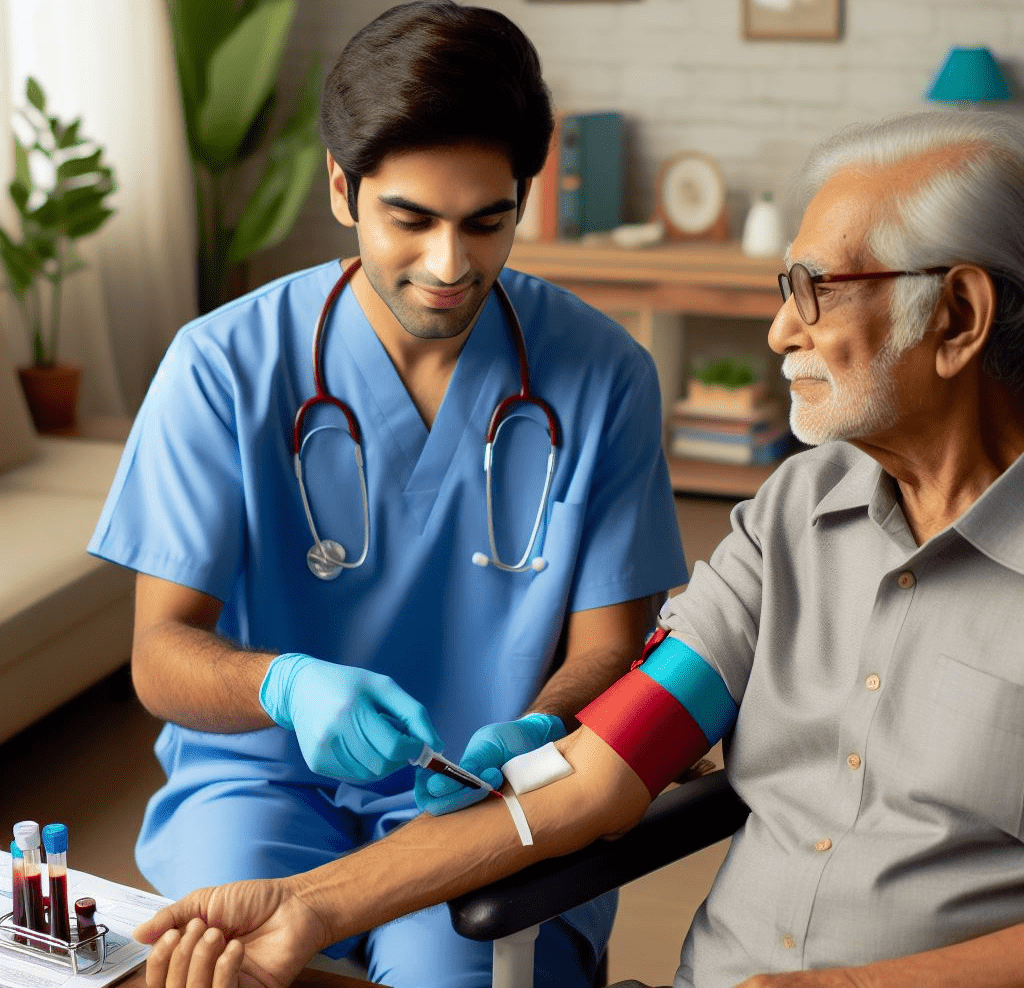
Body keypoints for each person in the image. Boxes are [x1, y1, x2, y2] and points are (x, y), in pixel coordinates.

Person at [134, 106, 1024, 988]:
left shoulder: (600, 372)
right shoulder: (793, 516)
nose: (780, 331)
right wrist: (310, 905)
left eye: (815, 289)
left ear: (956, 315)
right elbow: (606, 765)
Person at [88, 0, 686, 988]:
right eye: (410, 220)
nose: (450, 267)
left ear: (521, 200)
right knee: (225, 971)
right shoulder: (221, 366)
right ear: (341, 187)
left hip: (479, 796)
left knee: (447, 971)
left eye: (486, 223)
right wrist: (282, 683)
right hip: (259, 782)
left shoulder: (602, 372)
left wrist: (543, 727)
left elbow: (608, 648)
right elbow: (161, 658)